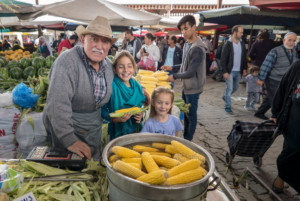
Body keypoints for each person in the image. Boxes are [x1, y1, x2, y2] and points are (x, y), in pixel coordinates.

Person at [43, 16, 118, 160]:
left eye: (105, 41)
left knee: (91, 169)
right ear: (83, 39)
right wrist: (69, 139)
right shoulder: (67, 62)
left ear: (110, 45)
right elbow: (56, 105)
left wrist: (141, 91)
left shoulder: (108, 65)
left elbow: (123, 80)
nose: (99, 46)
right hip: (67, 129)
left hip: (93, 129)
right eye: (94, 39)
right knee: (71, 171)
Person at [163, 15, 206, 141]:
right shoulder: (188, 44)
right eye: (182, 29)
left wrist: (174, 76)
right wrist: (171, 67)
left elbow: (191, 72)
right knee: (186, 113)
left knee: (191, 115)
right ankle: (186, 137)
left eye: (186, 28)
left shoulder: (197, 48)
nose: (183, 32)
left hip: (193, 87)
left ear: (194, 27)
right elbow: (185, 64)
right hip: (186, 86)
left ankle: (188, 140)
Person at [270, 60, 300, 194]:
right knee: (291, 150)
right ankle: (281, 179)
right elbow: (283, 87)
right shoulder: (298, 65)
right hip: (295, 118)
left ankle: (281, 179)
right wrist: (275, 112)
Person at [101, 50, 146, 140]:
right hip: (117, 132)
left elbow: (139, 107)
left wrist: (140, 116)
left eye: (129, 66)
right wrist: (116, 119)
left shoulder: (136, 86)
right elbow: (102, 111)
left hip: (135, 130)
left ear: (134, 68)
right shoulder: (111, 87)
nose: (126, 70)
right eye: (121, 67)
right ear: (115, 69)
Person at [254, 32, 298, 120]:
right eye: (289, 40)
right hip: (273, 79)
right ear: (284, 40)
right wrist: (261, 78)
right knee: (276, 99)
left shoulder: (293, 51)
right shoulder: (275, 51)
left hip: (285, 80)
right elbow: (266, 65)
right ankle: (276, 116)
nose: (291, 43)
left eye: (294, 41)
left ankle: (259, 112)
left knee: (271, 98)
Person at [221, 25, 247, 114]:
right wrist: (224, 71)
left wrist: (244, 68)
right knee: (229, 88)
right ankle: (227, 106)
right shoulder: (228, 44)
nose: (242, 34)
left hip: (238, 70)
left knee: (235, 88)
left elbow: (244, 57)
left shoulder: (242, 43)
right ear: (235, 32)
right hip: (230, 71)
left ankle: (225, 96)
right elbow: (223, 59)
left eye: (242, 32)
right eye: (240, 32)